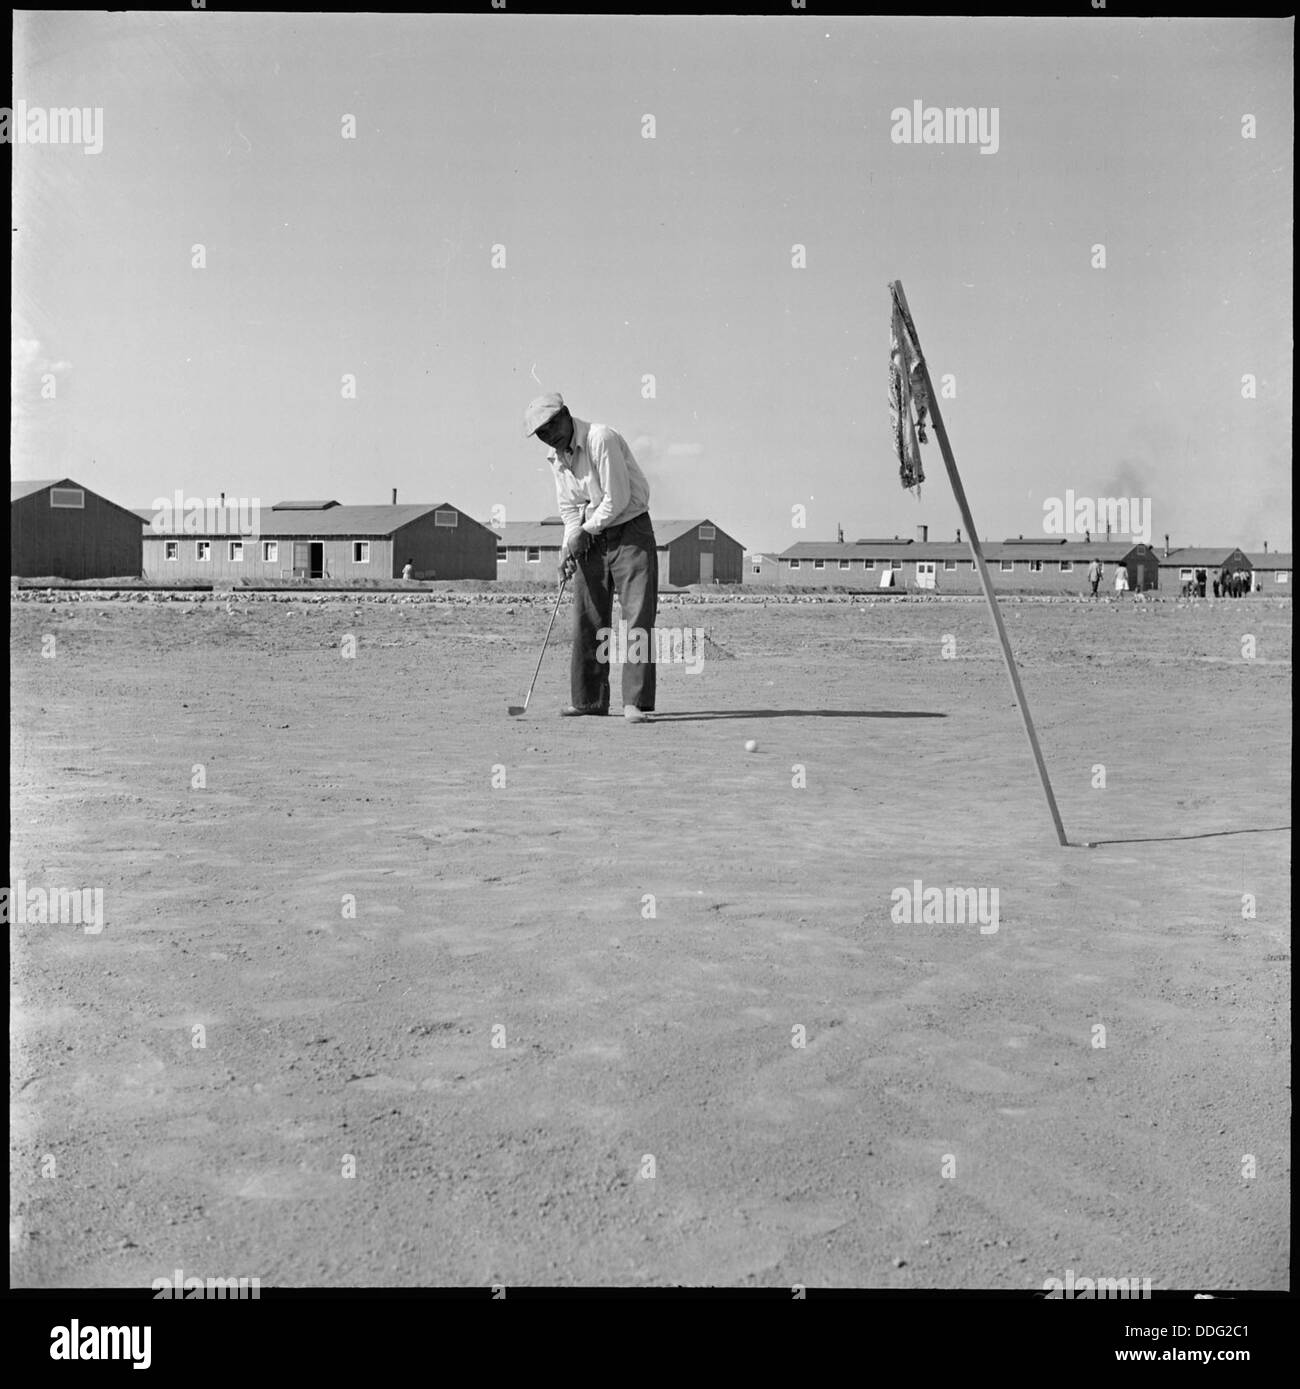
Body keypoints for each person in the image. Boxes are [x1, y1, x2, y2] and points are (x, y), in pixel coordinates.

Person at [523, 392, 657, 723]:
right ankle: (589, 701)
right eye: (541, 434)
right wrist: (568, 547)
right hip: (591, 535)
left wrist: (586, 530)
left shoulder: (601, 438)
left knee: (637, 619)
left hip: (630, 532)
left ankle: (635, 703)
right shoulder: (557, 459)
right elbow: (569, 510)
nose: (549, 436)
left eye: (552, 426)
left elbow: (618, 498)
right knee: (588, 619)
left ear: (567, 415)